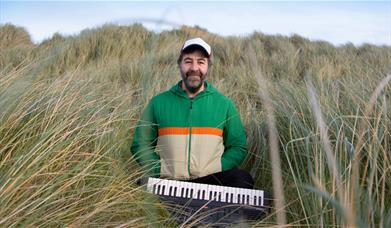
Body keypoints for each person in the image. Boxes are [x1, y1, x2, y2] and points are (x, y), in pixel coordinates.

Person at [131, 37, 253, 189]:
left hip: (209, 181)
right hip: (168, 181)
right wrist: (158, 169)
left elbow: (238, 146)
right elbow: (140, 144)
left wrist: (219, 167)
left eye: (201, 62)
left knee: (243, 179)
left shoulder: (224, 104)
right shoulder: (158, 103)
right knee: (139, 187)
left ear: (208, 67)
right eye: (188, 61)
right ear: (179, 65)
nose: (194, 68)